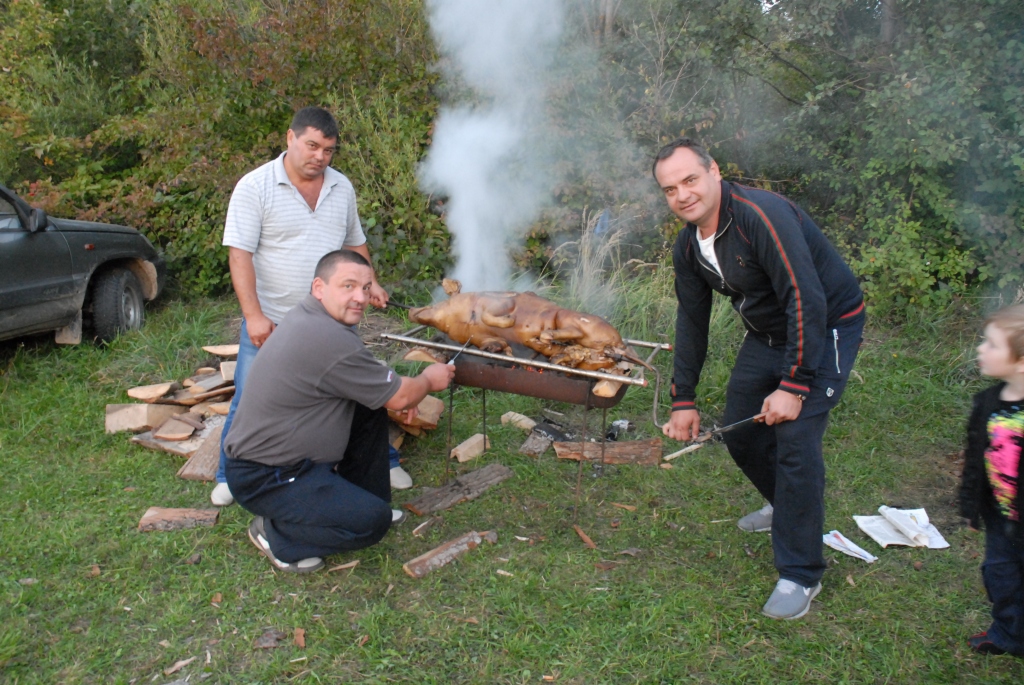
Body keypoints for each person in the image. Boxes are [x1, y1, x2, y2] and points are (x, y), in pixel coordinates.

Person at [653, 137, 865, 620]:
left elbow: (804, 297)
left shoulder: (761, 217)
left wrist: (793, 385)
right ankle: (783, 507)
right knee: (743, 432)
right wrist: (683, 398)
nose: (683, 195)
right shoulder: (688, 246)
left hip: (826, 325)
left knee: (795, 443)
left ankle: (801, 573)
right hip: (768, 334)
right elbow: (691, 321)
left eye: (690, 180)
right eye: (670, 189)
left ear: (714, 171)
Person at [212, 106, 414, 507]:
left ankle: (381, 462)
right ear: (290, 138)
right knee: (249, 395)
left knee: (359, 392)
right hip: (274, 323)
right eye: (312, 145)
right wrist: (253, 316)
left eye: (328, 150)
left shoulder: (341, 187)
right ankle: (227, 474)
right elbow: (239, 255)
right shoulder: (254, 187)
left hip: (333, 322)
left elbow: (354, 242)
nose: (320, 156)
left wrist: (370, 282)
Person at [224, 249, 455, 573]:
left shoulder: (312, 316)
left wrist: (396, 394)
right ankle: (277, 536)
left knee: (370, 404)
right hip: (267, 476)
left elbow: (378, 385)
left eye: (365, 287)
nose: (360, 297)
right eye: (348, 286)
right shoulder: (326, 336)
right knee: (371, 524)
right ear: (319, 287)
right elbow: (400, 396)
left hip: (287, 461)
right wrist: (427, 381)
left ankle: (363, 499)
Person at [958, 304, 1024, 657]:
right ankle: (1007, 633)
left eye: (993, 345)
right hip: (1001, 518)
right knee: (1000, 575)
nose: (981, 349)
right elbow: (975, 461)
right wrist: (971, 507)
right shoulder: (987, 403)